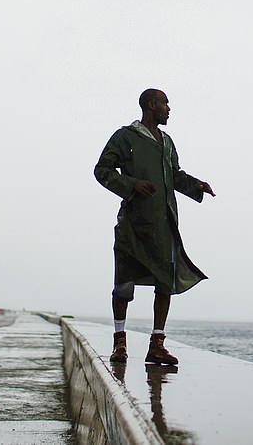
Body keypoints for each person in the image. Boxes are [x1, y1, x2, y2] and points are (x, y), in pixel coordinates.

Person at [94, 88, 215, 365]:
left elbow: (173, 175)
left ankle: (157, 344)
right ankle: (120, 343)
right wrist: (131, 185)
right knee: (123, 284)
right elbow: (102, 170)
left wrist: (196, 185)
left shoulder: (167, 142)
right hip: (133, 225)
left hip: (163, 224)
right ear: (151, 105)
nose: (169, 109)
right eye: (165, 103)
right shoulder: (126, 137)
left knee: (165, 282)